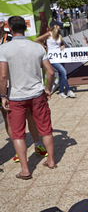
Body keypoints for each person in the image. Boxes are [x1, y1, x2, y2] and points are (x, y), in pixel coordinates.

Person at [0, 16, 56, 179]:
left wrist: (3, 96)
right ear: (25, 28)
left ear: (9, 28)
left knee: (17, 133)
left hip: (16, 96)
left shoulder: (4, 49)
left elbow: (3, 76)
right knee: (45, 128)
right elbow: (50, 72)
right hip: (37, 93)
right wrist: (47, 89)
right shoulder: (37, 47)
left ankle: (25, 170)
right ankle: (51, 160)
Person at [35, 21, 76, 99]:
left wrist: (63, 46)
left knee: (61, 74)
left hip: (60, 56)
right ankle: (68, 90)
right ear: (54, 26)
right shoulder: (49, 34)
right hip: (52, 58)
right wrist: (44, 47)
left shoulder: (59, 36)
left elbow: (62, 44)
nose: (59, 27)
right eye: (58, 26)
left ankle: (61, 91)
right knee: (63, 71)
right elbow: (37, 40)